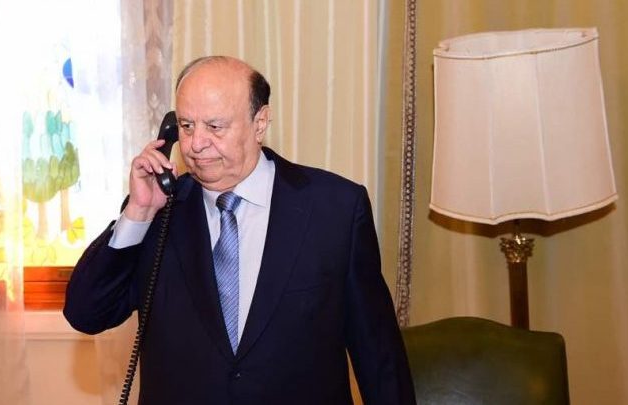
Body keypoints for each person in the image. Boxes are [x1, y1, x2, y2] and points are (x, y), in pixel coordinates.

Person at [63, 56, 416, 404]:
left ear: (259, 123)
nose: (195, 144)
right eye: (186, 126)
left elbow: (379, 357)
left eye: (215, 127)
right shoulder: (158, 211)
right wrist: (138, 212)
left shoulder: (335, 209)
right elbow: (86, 313)